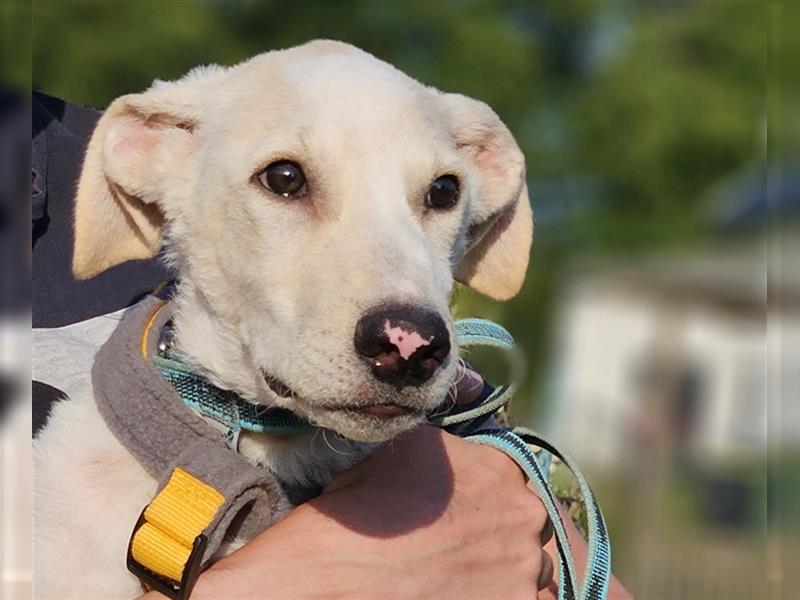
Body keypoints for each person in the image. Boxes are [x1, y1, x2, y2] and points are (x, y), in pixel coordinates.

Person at [32, 91, 630, 599]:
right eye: (286, 180)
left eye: (441, 193)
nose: (408, 335)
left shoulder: (112, 162)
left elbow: (572, 571)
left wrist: (478, 494)